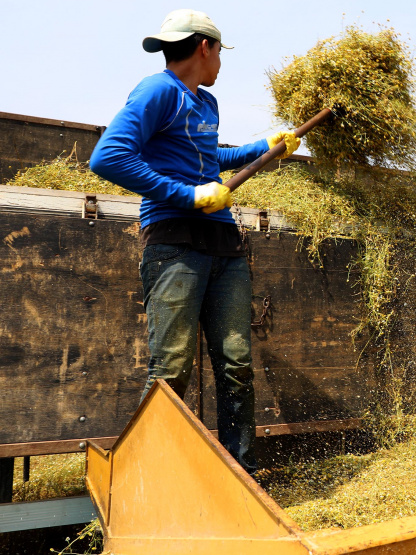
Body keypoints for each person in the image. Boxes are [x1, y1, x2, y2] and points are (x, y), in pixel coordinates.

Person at [89, 9, 300, 472]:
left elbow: (211, 157)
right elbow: (107, 157)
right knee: (171, 370)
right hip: (175, 242)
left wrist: (265, 146)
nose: (222, 62)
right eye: (220, 52)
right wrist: (186, 195)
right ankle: (144, 477)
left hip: (224, 244)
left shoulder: (205, 103)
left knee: (236, 365)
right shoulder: (157, 90)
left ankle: (240, 477)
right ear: (205, 47)